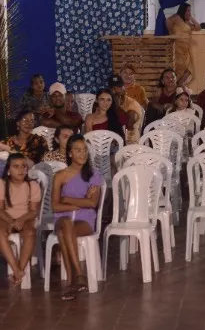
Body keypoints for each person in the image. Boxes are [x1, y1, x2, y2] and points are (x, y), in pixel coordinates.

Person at [52, 135, 103, 300]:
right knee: (65, 224)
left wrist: (67, 199)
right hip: (62, 216)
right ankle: (80, 274)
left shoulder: (93, 175)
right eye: (78, 150)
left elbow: (93, 203)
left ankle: (70, 281)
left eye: (85, 150)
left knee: (63, 232)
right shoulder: (59, 175)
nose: (82, 154)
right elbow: (55, 206)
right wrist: (80, 203)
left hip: (85, 219)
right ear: (69, 154)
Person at [0, 154, 41, 288]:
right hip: (6, 217)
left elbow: (33, 211)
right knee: (0, 233)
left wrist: (22, 220)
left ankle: (20, 270)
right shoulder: (2, 184)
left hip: (26, 217)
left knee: (30, 233)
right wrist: (12, 221)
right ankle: (17, 270)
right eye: (16, 166)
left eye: (23, 166)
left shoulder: (32, 185)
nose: (20, 170)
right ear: (8, 170)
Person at [166, 2, 201, 87]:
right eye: (188, 10)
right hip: (178, 47)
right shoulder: (176, 17)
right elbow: (167, 21)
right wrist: (171, 33)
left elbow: (198, 27)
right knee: (179, 68)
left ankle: (178, 84)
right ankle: (175, 86)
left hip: (186, 49)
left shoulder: (187, 22)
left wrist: (191, 17)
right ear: (183, 10)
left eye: (190, 11)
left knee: (189, 69)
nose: (189, 12)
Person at [108, 75, 141, 143]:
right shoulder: (107, 104)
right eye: (113, 88)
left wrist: (116, 104)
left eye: (119, 86)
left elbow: (129, 126)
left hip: (130, 140)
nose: (116, 90)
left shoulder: (132, 103)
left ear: (124, 87)